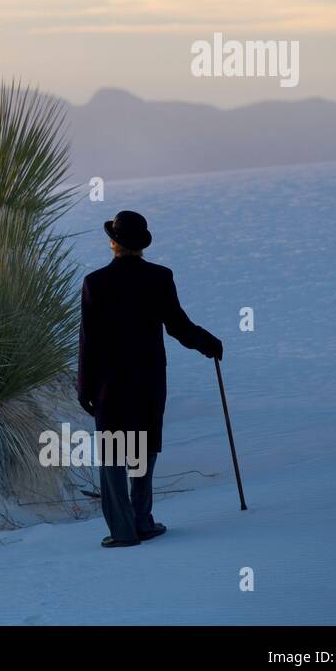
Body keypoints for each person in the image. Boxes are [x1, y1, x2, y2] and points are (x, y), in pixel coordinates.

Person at [78, 211, 223, 548]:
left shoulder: (95, 283)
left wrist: (84, 387)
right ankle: (143, 522)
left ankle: (124, 531)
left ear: (113, 242)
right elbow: (178, 326)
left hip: (109, 382)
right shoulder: (159, 277)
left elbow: (89, 341)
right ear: (141, 245)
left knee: (114, 453)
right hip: (148, 378)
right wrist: (209, 344)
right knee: (143, 446)